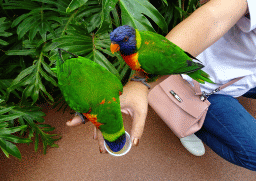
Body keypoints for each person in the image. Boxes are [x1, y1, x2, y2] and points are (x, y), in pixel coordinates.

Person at [67, 0, 256, 171]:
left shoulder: (141, 54)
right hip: (203, 82)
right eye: (115, 43)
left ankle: (190, 121)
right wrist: (139, 85)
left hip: (243, 76)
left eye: (122, 41)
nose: (114, 48)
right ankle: (188, 119)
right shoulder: (140, 56)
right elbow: (213, 16)